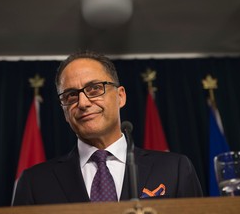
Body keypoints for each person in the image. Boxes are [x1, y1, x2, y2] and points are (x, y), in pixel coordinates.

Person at [12, 50, 203, 206]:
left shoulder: (174, 168)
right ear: (63, 110)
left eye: (94, 88)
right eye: (70, 95)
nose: (83, 102)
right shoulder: (34, 182)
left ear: (120, 97)